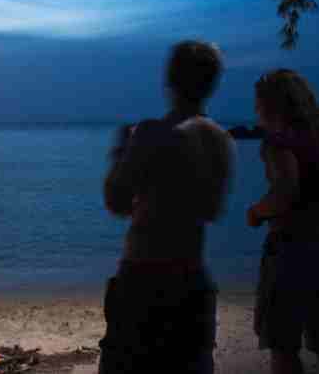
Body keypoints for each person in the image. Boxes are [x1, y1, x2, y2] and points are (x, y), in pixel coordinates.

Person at [99, 40, 235, 374]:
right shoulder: (221, 140)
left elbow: (116, 201)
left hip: (144, 278)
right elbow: (212, 209)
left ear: (170, 80)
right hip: (192, 278)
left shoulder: (150, 133)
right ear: (212, 83)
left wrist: (121, 152)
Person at [247, 69, 319, 374]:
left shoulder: (277, 142)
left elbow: (285, 190)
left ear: (271, 105)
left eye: (258, 102)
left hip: (290, 248)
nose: (255, 109)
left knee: (283, 347)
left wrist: (257, 212)